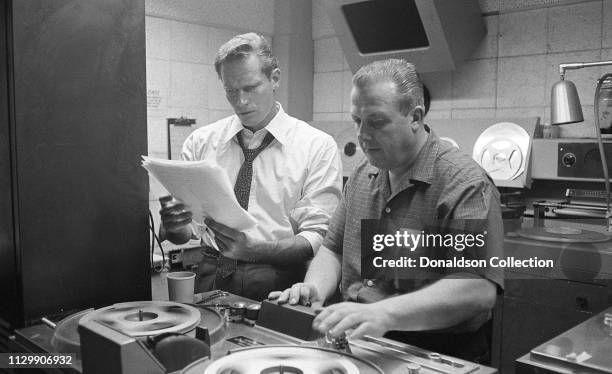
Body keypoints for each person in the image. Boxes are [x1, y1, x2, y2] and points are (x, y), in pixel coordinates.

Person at [270, 59, 504, 362]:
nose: (362, 135)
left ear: (415, 117)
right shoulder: (362, 175)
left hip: (435, 352)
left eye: (377, 121)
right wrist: (314, 287)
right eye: (357, 121)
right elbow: (333, 249)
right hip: (360, 344)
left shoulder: (465, 184)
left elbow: (476, 290)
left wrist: (382, 313)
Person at [160, 33, 342, 301]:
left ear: (275, 78)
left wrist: (255, 250)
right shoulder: (201, 142)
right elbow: (187, 233)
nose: (240, 101)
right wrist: (175, 226)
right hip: (211, 272)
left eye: (250, 87)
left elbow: (318, 237)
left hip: (282, 278)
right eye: (230, 91)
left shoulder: (316, 145)